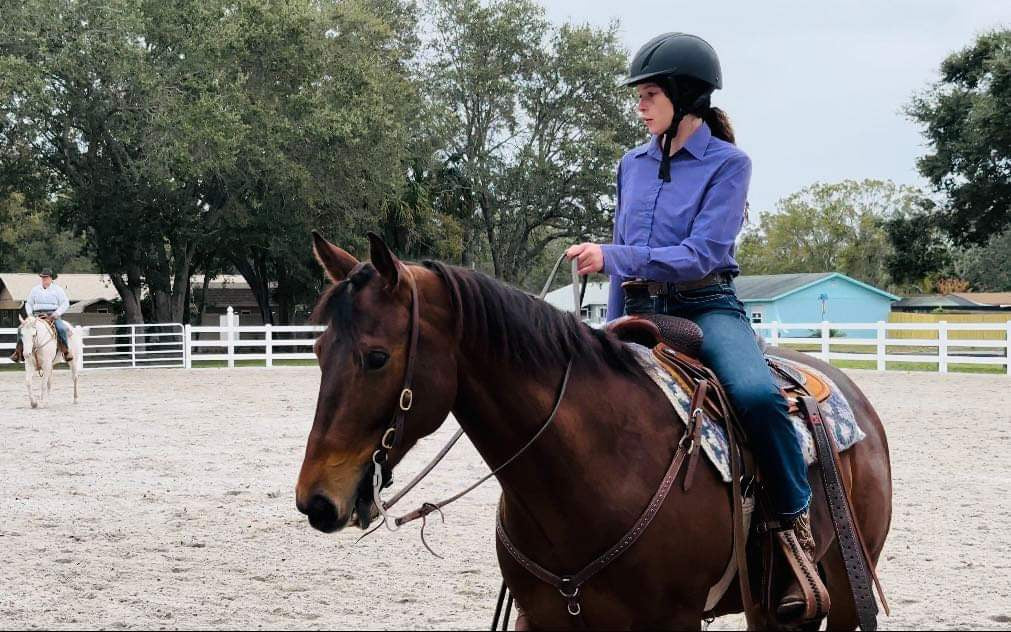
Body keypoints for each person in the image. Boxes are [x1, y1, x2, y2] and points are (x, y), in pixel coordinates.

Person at [566, 32, 817, 621]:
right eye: (638, 97)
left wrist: (616, 256)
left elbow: (704, 253)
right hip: (640, 307)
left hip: (706, 307)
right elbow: (623, 255)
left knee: (757, 395)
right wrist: (608, 328)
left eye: (649, 94)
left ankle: (792, 522)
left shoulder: (730, 165)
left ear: (685, 97)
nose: (639, 106)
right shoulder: (630, 163)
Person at [11, 269, 74, 363]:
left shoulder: (58, 290)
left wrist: (57, 313)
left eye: (46, 277)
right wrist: (30, 315)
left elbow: (65, 303)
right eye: (42, 277)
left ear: (51, 278)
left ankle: (65, 351)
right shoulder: (35, 289)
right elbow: (29, 303)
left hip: (52, 314)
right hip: (37, 315)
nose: (44, 279)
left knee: (61, 329)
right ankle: (18, 352)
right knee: (21, 329)